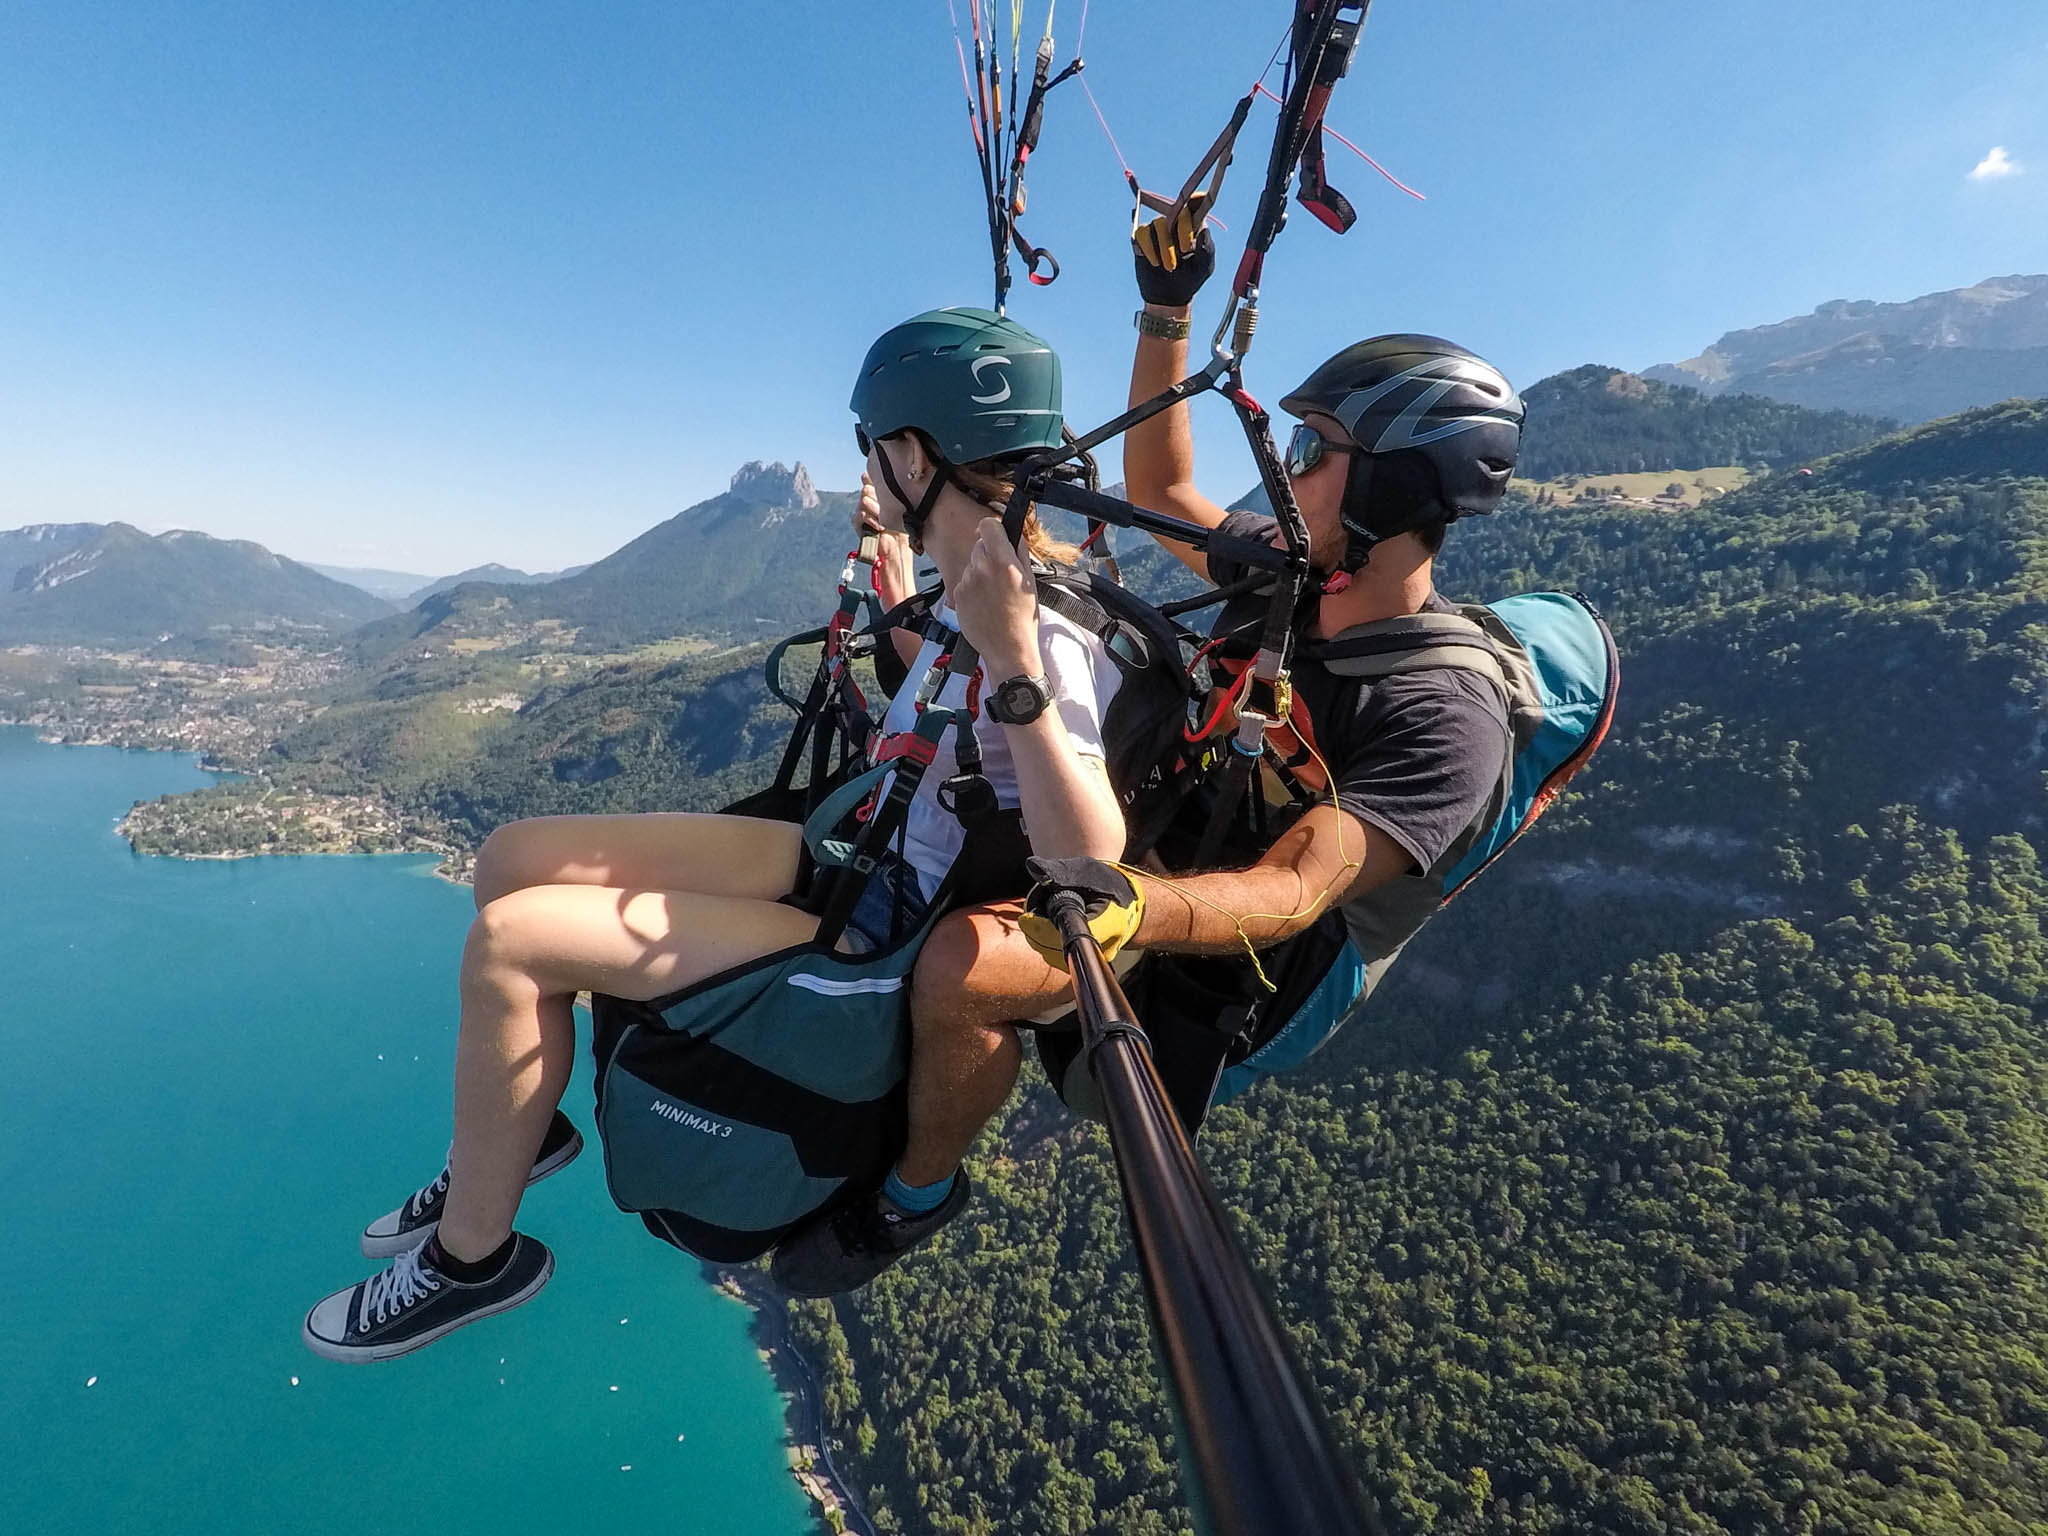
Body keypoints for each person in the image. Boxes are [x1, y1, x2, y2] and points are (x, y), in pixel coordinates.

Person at [302, 307, 1126, 1360]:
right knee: (510, 858)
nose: (862, 478)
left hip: (879, 923)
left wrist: (1010, 660)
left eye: (872, 452)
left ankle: (473, 1259)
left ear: (913, 453)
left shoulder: (1037, 628)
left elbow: (1094, 856)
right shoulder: (962, 585)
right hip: (848, 850)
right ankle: (523, 1123)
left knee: (513, 946)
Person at [859, 206, 1528, 1244]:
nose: (1286, 463)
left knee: (959, 965)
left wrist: (1131, 904)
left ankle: (907, 1197)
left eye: (1313, 447)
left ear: (1395, 484)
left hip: (1210, 958)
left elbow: (1295, 888)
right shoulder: (1291, 574)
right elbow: (1162, 488)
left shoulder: (1441, 713)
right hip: (1148, 847)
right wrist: (1164, 310)